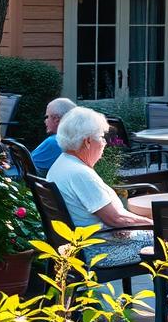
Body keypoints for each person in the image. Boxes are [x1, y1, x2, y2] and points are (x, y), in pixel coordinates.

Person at [45, 106, 151, 267]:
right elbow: (116, 219)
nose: (104, 143)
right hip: (98, 251)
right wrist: (155, 223)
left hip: (88, 243)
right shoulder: (80, 173)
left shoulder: (62, 163)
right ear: (87, 141)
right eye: (101, 138)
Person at [30, 97, 76, 173]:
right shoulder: (76, 139)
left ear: (56, 119)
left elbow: (24, 167)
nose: (45, 121)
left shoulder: (54, 142)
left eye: (47, 117)